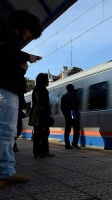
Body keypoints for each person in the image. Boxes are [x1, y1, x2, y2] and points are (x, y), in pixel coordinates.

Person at [0, 10, 42, 187]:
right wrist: (27, 58)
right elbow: (5, 53)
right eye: (30, 32)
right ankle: (5, 173)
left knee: (6, 132)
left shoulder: (10, 40)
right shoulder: (6, 35)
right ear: (24, 24)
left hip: (8, 89)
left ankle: (5, 171)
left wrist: (21, 67)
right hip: (6, 90)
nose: (29, 36)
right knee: (6, 132)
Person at [28, 73, 55, 158]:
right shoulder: (43, 89)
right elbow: (44, 104)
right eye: (46, 79)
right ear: (44, 80)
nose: (47, 80)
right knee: (45, 132)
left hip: (36, 114)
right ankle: (44, 151)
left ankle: (36, 152)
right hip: (42, 114)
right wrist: (47, 114)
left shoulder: (35, 89)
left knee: (37, 134)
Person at [61, 84, 81, 149]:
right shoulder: (74, 95)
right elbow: (76, 106)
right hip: (73, 115)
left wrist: (65, 115)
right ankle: (74, 143)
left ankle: (67, 144)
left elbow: (62, 108)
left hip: (67, 116)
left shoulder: (63, 97)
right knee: (76, 129)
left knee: (67, 130)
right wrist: (76, 116)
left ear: (67, 89)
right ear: (72, 88)